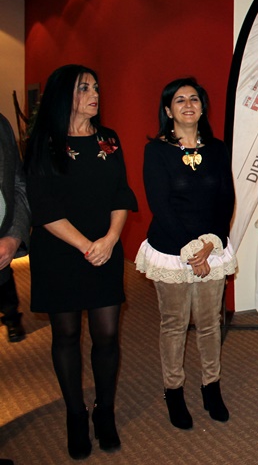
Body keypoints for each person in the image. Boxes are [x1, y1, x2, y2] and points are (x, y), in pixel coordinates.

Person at [24, 65, 137, 459]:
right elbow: (44, 207)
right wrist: (87, 246)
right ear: (63, 96)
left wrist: (110, 239)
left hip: (105, 248)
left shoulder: (109, 139)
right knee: (67, 335)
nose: (95, 94)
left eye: (96, 87)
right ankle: (76, 415)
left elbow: (121, 194)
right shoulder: (44, 143)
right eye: (84, 88)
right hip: (60, 253)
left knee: (107, 335)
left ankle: (104, 412)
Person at [135, 77, 236, 430]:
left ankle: (211, 387)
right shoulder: (156, 151)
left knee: (210, 323)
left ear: (202, 107)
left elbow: (226, 199)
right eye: (180, 100)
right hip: (172, 249)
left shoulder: (217, 149)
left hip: (211, 248)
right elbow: (160, 205)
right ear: (168, 110)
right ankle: (173, 391)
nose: (188, 105)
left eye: (194, 99)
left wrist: (209, 245)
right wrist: (192, 250)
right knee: (174, 324)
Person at [0, 113, 29, 344]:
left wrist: (14, 236)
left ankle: (11, 316)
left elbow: (18, 184)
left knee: (4, 282)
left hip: (2, 241)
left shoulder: (1, 124)